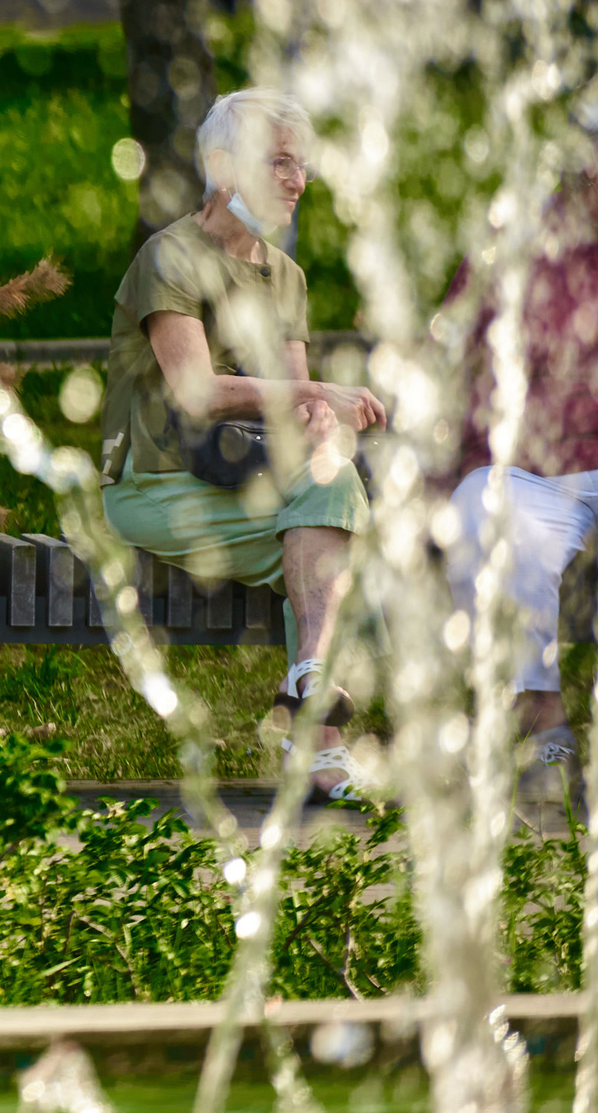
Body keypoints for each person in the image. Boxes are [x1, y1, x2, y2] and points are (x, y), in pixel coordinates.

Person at [98, 89, 388, 799]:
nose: (299, 181)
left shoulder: (285, 276)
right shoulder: (170, 256)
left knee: (331, 521)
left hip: (241, 480)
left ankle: (308, 690)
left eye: (303, 165)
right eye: (280, 162)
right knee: (339, 527)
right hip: (155, 485)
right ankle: (317, 736)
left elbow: (292, 404)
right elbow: (197, 392)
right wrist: (318, 395)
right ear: (225, 166)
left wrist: (318, 419)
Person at [442, 110, 598, 801]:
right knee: (486, 519)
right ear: (586, 157)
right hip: (531, 472)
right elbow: (451, 364)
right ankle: (540, 727)